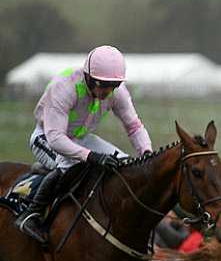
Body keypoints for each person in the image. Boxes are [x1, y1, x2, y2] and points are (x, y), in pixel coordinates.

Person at [15, 45, 152, 243]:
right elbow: (55, 138)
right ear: (88, 77)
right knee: (72, 164)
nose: (107, 91)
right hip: (47, 137)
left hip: (81, 139)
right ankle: (30, 215)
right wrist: (91, 156)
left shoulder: (116, 91)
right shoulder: (64, 87)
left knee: (124, 165)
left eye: (112, 85)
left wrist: (145, 151)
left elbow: (134, 126)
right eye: (102, 85)